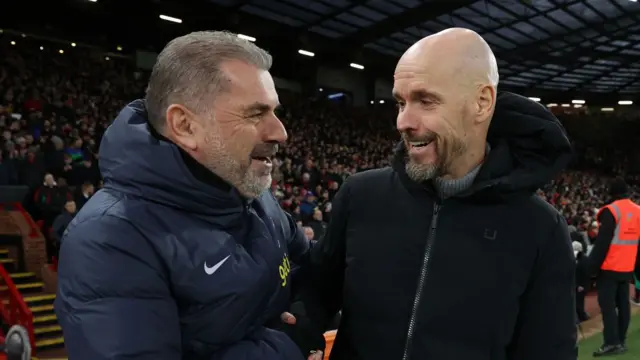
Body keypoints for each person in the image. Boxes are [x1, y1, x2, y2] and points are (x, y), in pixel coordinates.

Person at [293, 28, 577, 359]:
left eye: (426, 101)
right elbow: (313, 297)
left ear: (481, 102)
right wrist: (296, 331)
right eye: (401, 102)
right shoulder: (360, 196)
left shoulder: (540, 229)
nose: (403, 121)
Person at [54, 31, 322, 360]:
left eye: (275, 111)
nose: (280, 132)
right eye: (255, 113)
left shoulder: (254, 197)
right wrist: (288, 342)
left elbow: (315, 267)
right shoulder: (109, 237)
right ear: (185, 125)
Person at [587, 178, 640, 356]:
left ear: (612, 193)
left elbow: (602, 244)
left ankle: (611, 342)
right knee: (624, 304)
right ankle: (621, 340)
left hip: (609, 267)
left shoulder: (612, 211)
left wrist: (590, 268)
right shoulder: (638, 210)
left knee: (608, 306)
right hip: (627, 267)